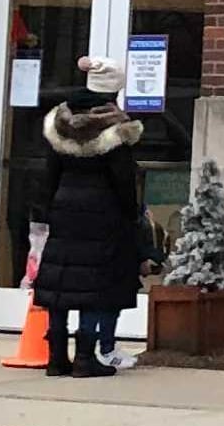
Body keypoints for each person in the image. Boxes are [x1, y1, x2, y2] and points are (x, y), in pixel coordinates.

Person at [29, 60, 151, 378]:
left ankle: (56, 357)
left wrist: (46, 209)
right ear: (113, 88)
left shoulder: (61, 121)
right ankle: (85, 357)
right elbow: (123, 182)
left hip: (64, 211)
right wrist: (131, 216)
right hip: (102, 215)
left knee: (60, 281)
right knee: (93, 286)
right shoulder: (115, 129)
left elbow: (49, 173)